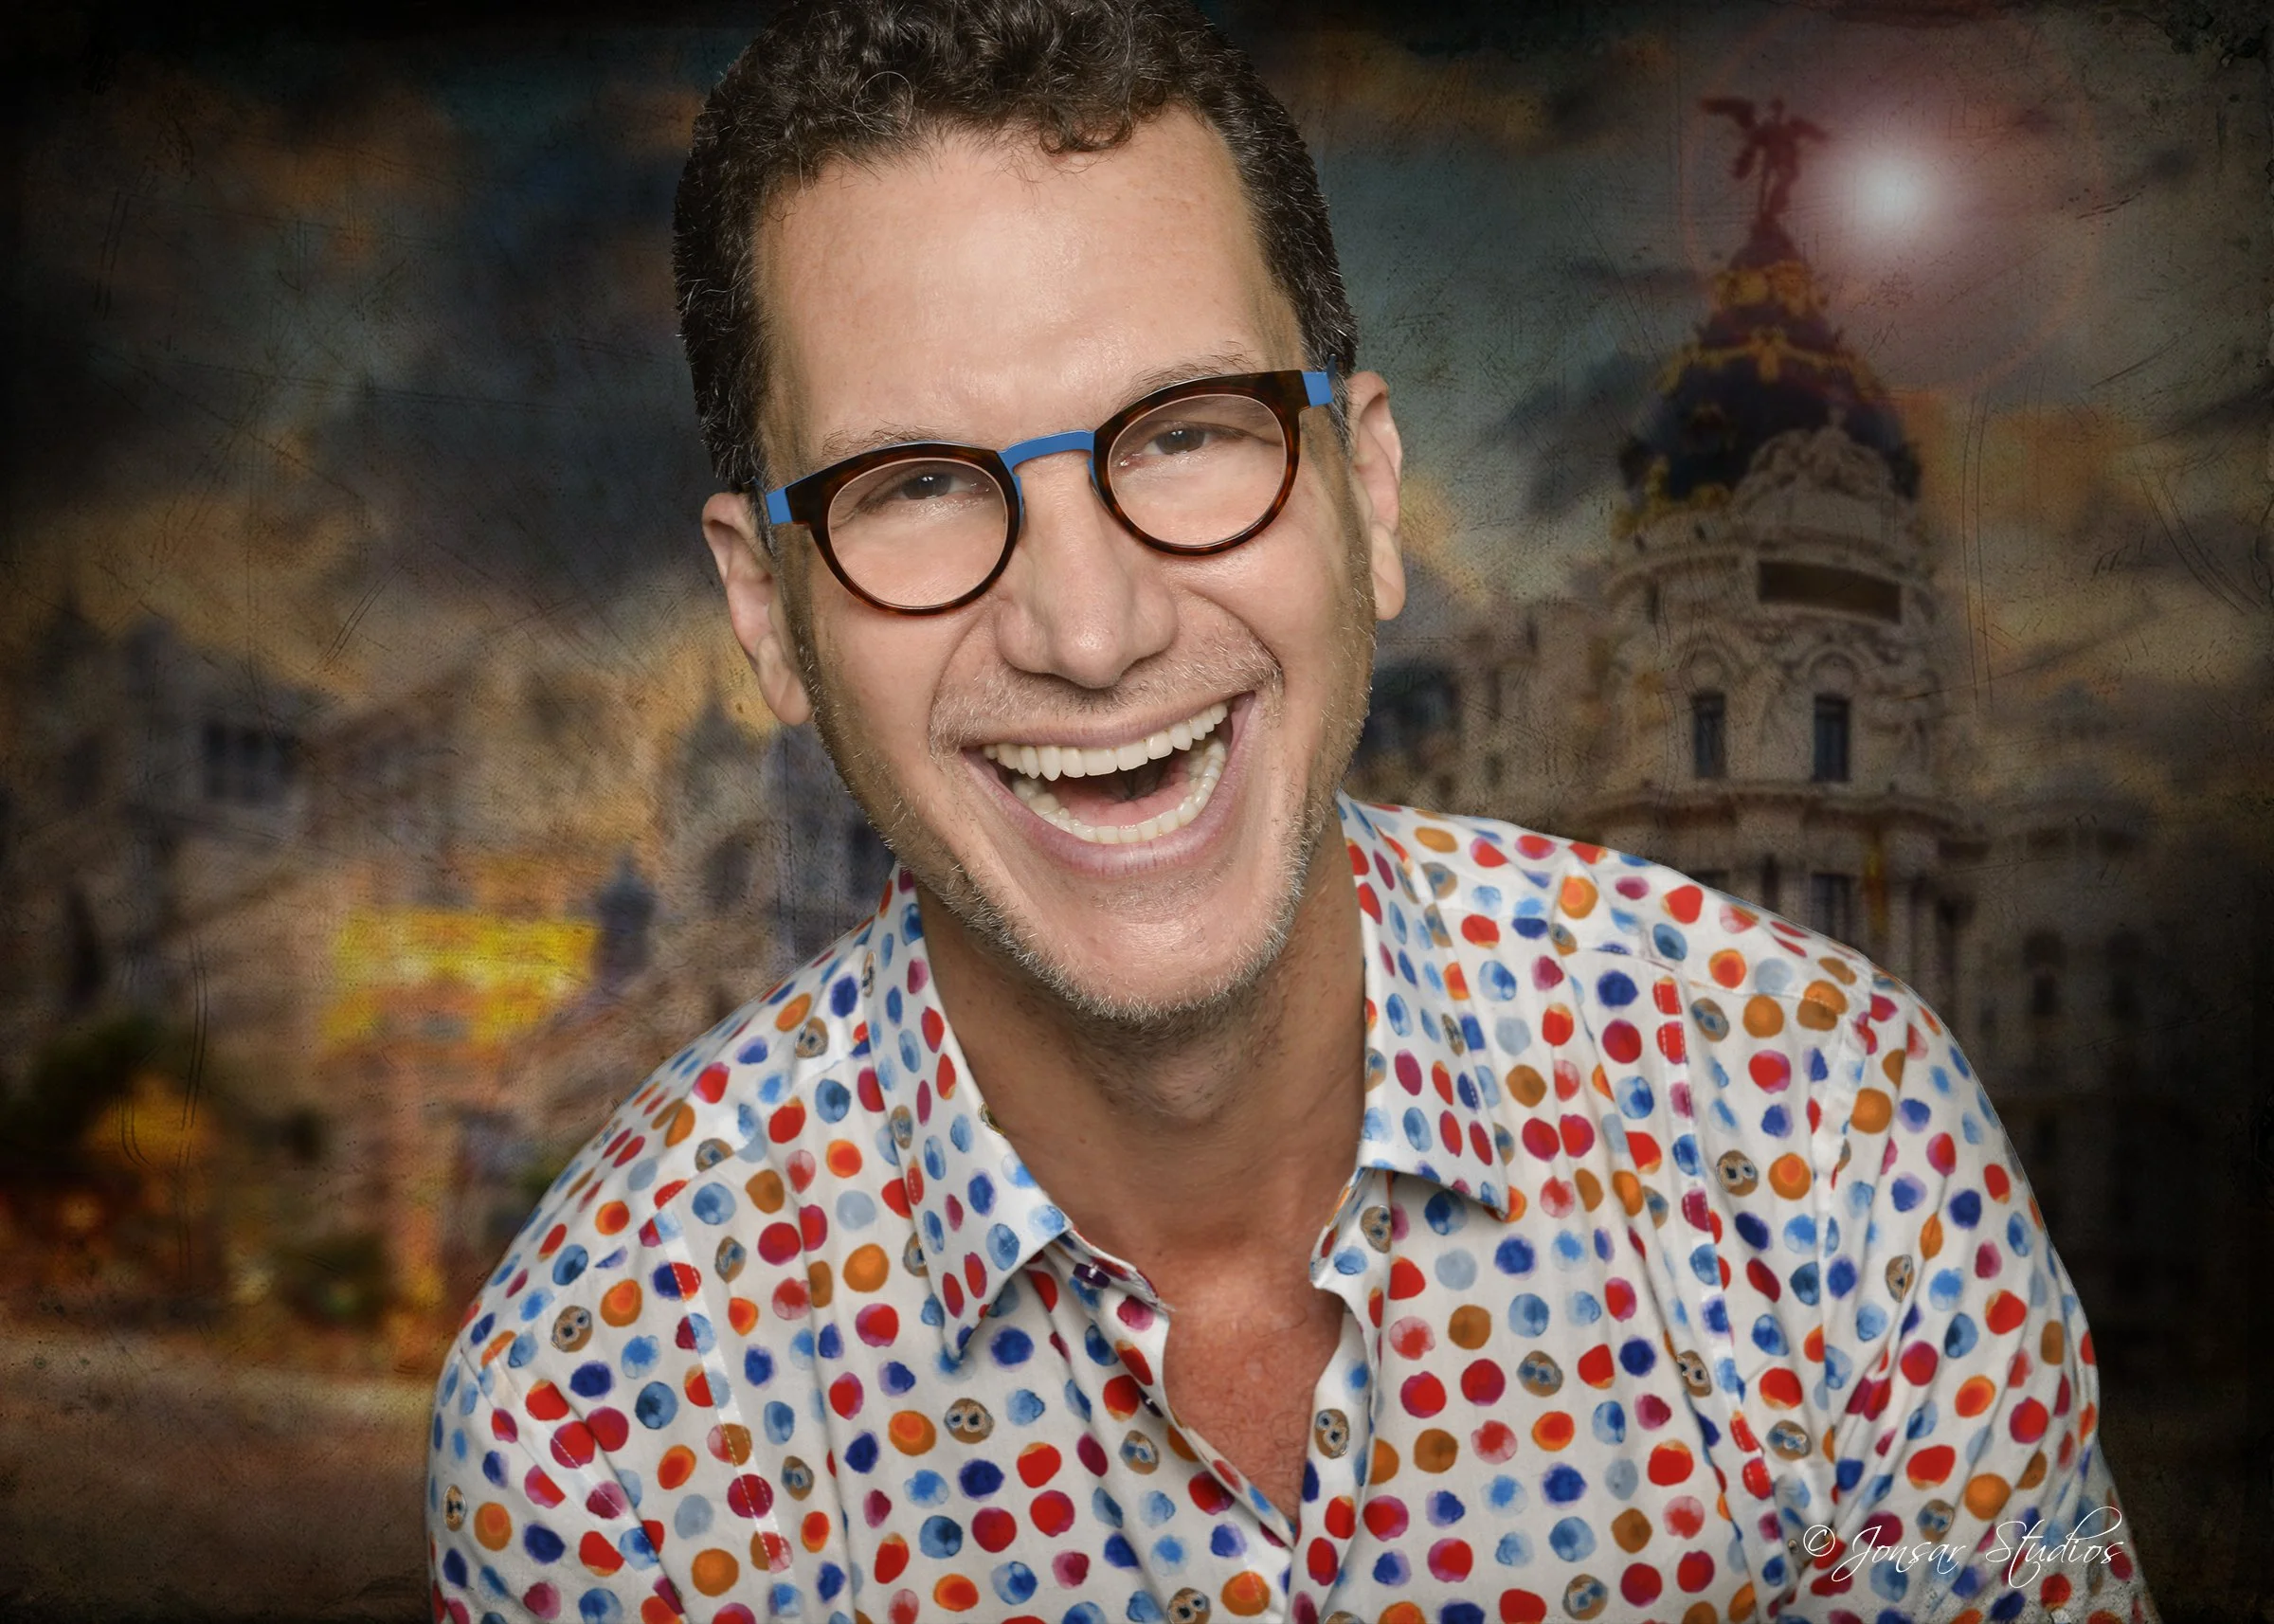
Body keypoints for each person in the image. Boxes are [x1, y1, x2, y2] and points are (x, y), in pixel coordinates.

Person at [425, 4, 2153, 1621]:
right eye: (921, 487)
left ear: (1370, 492)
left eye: (1186, 432)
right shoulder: (600, 1426)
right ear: (765, 613)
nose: (1092, 632)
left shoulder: (1839, 1134)